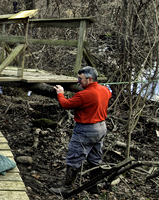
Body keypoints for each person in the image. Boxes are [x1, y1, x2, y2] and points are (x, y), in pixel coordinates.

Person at [49, 66, 112, 196]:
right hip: (101, 127)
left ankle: (66, 187)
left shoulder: (84, 95)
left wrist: (60, 93)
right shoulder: (105, 90)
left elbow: (65, 104)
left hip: (86, 130)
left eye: (80, 78)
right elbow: (106, 94)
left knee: (75, 157)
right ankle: (94, 186)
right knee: (95, 158)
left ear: (89, 79)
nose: (78, 81)